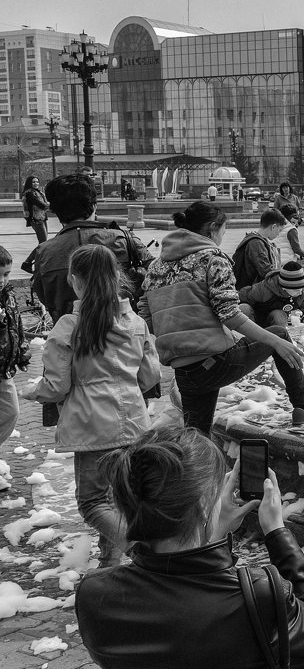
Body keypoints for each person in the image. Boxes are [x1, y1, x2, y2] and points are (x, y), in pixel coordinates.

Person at [74, 426, 304, 668]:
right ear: (203, 504)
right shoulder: (260, 595)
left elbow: (190, 594)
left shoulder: (96, 594)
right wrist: (276, 531)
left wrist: (216, 533)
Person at [139, 202, 304, 433]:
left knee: (198, 438)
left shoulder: (156, 266)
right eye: (223, 232)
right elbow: (229, 315)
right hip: (214, 363)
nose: (222, 237)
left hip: (184, 370)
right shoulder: (213, 259)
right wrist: (277, 343)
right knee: (279, 334)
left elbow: (145, 318)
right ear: (213, 229)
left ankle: (195, 468)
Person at [31, 245, 160, 565]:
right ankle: (110, 564)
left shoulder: (69, 326)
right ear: (115, 278)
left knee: (92, 503)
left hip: (92, 427)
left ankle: (143, 554)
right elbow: (150, 376)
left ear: (75, 282)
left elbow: (55, 386)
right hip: (134, 420)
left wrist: (32, 391)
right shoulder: (135, 322)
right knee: (117, 500)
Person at [21, 174, 153, 323]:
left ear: (55, 212)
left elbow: (44, 295)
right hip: (126, 334)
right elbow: (155, 280)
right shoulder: (126, 240)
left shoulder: (44, 252)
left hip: (69, 335)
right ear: (94, 206)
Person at [238, 261, 304, 337]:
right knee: (243, 308)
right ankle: (249, 340)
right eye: (297, 289)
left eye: (302, 287)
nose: (300, 291)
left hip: (274, 323)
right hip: (254, 321)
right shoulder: (263, 289)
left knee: (279, 314)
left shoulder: (300, 294)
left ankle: (276, 341)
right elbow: (239, 297)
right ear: (284, 287)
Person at [0, 247, 29, 451]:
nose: (2, 280)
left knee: (11, 412)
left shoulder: (8, 296)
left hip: (4, 369)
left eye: (6, 274)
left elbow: (17, 325)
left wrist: (22, 352)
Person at [232, 209, 285, 289]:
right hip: (249, 291)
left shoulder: (256, 239)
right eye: (279, 230)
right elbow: (266, 271)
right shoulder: (256, 243)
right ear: (273, 227)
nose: (278, 234)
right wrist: (287, 274)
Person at [22, 176, 49, 244]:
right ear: (29, 183)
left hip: (42, 218)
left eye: (37, 182)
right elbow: (40, 204)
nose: (36, 183)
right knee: (43, 242)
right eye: (33, 182)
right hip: (36, 219)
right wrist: (49, 204)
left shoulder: (39, 192)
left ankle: (39, 254)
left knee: (43, 241)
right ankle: (38, 255)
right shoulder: (29, 193)